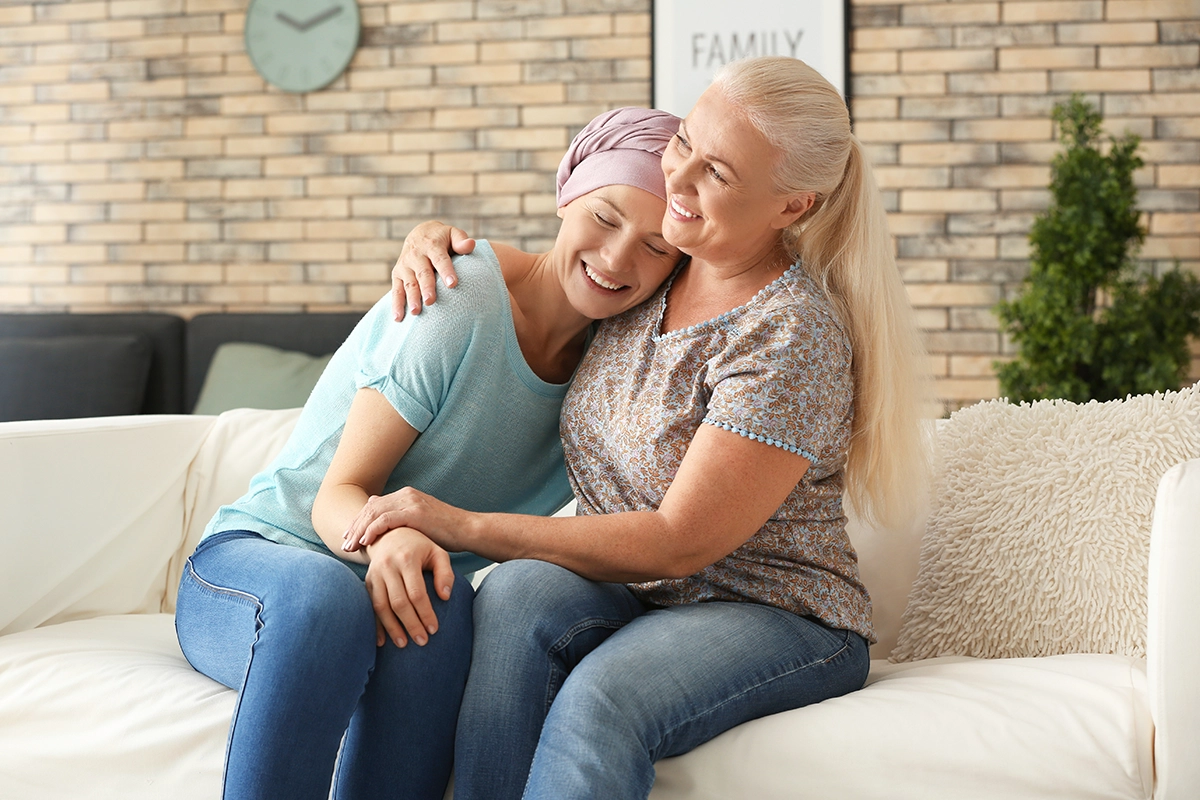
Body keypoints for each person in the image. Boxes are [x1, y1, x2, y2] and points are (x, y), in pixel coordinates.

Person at [350, 56, 928, 800]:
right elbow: (557, 268)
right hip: (639, 592)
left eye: (717, 174)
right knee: (515, 596)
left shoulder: (788, 334)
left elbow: (680, 540)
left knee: (602, 697)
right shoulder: (654, 268)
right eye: (683, 142)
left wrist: (458, 523)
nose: (676, 184)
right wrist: (432, 241)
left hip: (775, 612)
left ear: (792, 207)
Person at [172, 107, 685, 800]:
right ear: (566, 194)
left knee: (442, 619)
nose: (620, 258)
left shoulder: (618, 368)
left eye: (657, 246)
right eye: (605, 216)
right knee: (330, 601)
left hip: (404, 585)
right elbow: (338, 494)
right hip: (260, 565)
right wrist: (385, 543)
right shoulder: (459, 297)